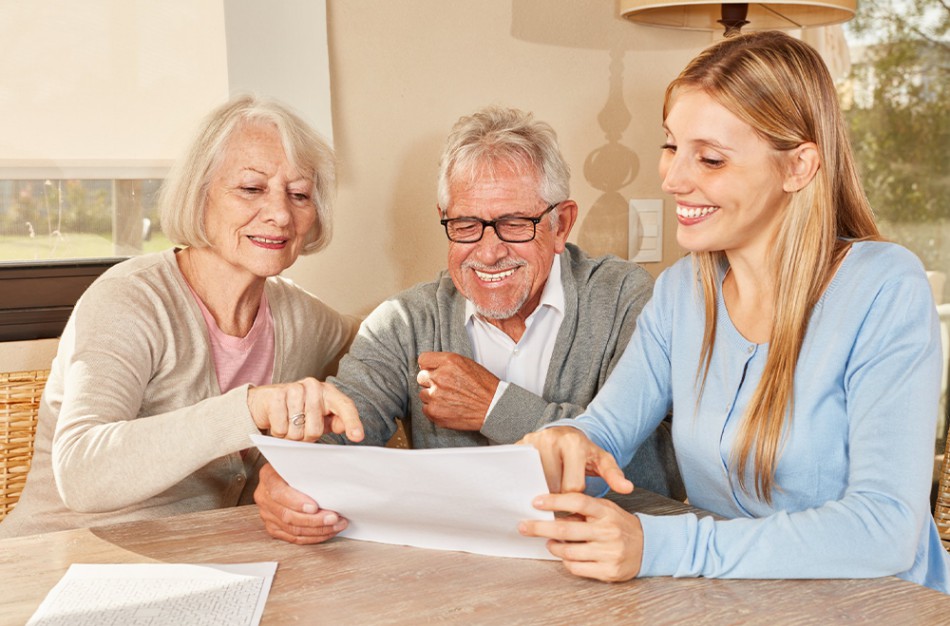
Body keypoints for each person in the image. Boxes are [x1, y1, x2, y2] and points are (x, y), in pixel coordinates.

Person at [518, 30, 950, 593]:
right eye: (671, 146)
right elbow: (604, 432)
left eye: (712, 159)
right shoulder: (680, 294)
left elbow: (885, 528)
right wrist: (567, 442)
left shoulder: (883, 287)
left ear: (798, 167)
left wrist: (663, 545)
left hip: (883, 603)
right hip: (737, 600)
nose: (673, 179)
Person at [255, 105, 683, 544]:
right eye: (466, 224)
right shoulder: (405, 322)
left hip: (610, 562)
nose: (489, 252)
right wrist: (287, 480)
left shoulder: (624, 298)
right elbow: (340, 437)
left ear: (561, 225)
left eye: (515, 223)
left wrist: (494, 407)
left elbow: (652, 472)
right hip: (459, 571)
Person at [0, 95, 364, 538]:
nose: (280, 213)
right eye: (251, 188)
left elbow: (383, 344)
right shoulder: (130, 299)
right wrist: (248, 409)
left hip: (204, 564)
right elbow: (81, 471)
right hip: (60, 562)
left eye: (299, 194)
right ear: (199, 193)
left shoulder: (301, 317)